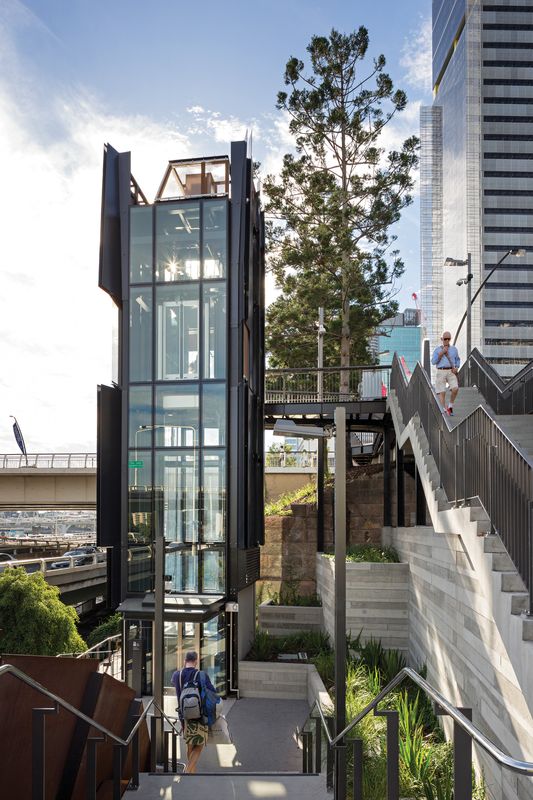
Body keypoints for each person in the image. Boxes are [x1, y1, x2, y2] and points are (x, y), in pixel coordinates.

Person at [171, 650, 219, 774]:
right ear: (196, 661)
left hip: (184, 715)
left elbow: (178, 694)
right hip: (200, 715)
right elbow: (212, 692)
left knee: (190, 744)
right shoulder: (201, 675)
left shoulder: (177, 675)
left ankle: (192, 773)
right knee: (199, 744)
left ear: (184, 661)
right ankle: (188, 771)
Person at [431, 331, 460, 415]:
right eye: (445, 339)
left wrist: (457, 367)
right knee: (442, 391)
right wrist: (441, 353)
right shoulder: (437, 350)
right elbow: (433, 362)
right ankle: (443, 410)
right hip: (441, 370)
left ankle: (450, 406)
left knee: (455, 388)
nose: (447, 340)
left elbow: (457, 359)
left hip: (451, 371)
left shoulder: (454, 349)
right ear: (442, 339)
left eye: (448, 339)